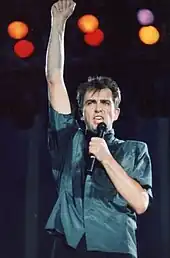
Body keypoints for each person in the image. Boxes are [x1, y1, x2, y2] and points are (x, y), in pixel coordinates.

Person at [45, 1, 153, 258]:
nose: (98, 108)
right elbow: (54, 79)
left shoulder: (134, 150)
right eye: (91, 103)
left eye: (105, 103)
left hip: (115, 248)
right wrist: (57, 26)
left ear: (115, 112)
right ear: (82, 112)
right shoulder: (69, 138)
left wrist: (106, 158)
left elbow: (140, 202)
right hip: (70, 247)